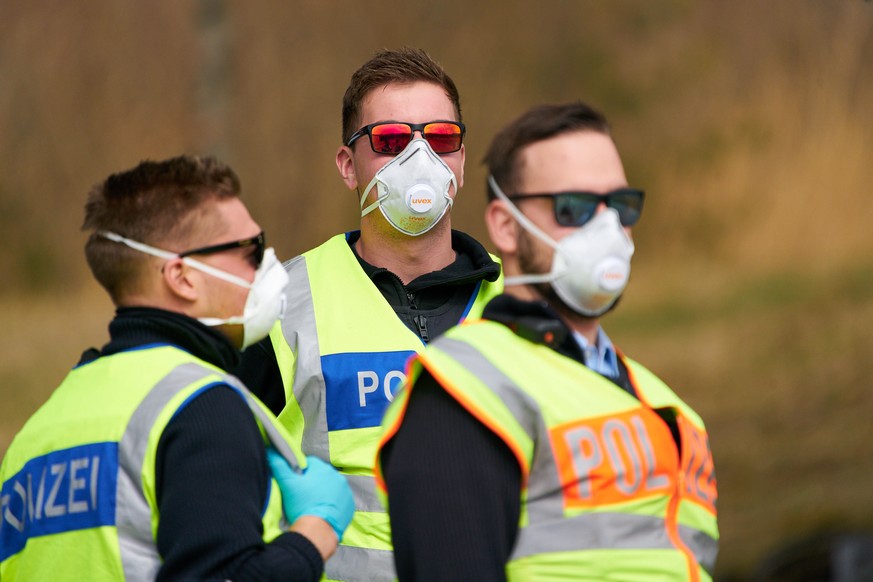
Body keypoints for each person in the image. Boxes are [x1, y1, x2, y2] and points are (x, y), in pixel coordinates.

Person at [375, 102, 719, 581]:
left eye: (620, 206)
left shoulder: (667, 406)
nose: (608, 229)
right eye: (573, 208)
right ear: (506, 225)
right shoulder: (465, 392)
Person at [0, 155, 354, 581]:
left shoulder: (39, 429)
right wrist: (315, 531)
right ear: (183, 277)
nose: (269, 268)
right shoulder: (201, 407)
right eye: (250, 251)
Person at [235, 47, 503, 581]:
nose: (420, 157)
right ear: (347, 166)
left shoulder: (521, 302)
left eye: (441, 138)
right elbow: (229, 483)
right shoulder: (281, 304)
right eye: (392, 141)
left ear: (462, 160)